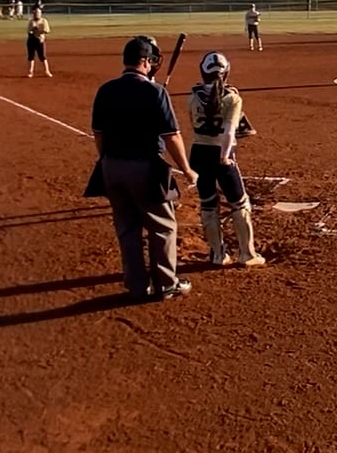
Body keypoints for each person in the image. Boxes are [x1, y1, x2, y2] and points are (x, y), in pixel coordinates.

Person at [91, 35, 197, 301]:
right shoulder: (155, 92)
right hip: (145, 168)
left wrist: (107, 161)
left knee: (127, 228)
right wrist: (186, 169)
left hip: (111, 167)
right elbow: (172, 136)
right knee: (162, 227)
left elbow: (98, 133)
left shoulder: (106, 90)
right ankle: (166, 284)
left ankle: (137, 286)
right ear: (146, 61)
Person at [189, 51, 264, 267]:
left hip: (198, 153)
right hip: (222, 153)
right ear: (226, 72)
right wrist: (224, 156)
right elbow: (230, 132)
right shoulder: (232, 98)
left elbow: (194, 123)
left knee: (208, 204)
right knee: (239, 203)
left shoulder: (192, 95)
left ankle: (217, 255)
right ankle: (247, 254)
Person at [26, 5, 52, 77]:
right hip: (31, 40)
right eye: (35, 13)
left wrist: (38, 30)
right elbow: (29, 31)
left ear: (41, 13)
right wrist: (33, 29)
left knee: (42, 56)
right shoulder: (31, 21)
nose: (36, 14)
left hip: (40, 40)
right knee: (31, 56)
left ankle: (47, 71)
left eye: (38, 13)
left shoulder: (44, 21)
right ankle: (30, 72)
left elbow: (47, 30)